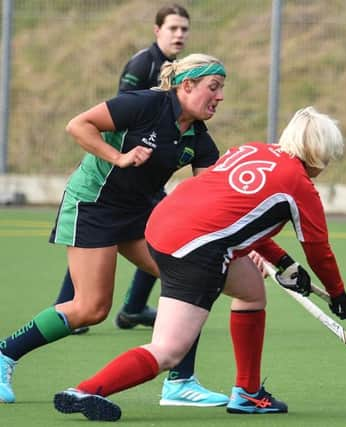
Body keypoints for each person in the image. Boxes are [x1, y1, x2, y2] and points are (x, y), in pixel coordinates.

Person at [52, 106, 346, 421]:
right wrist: (338, 295)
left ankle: (248, 393)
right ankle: (85, 391)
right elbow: (319, 251)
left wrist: (284, 263)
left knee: (251, 290)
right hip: (196, 249)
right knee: (169, 350)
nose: (328, 163)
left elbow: (234, 216)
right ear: (318, 152)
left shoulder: (251, 150)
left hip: (161, 229)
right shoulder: (299, 184)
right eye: (329, 156)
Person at [0, 54, 229, 407]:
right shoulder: (146, 104)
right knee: (90, 308)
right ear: (187, 86)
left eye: (222, 89)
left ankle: (180, 382)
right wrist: (118, 156)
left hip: (139, 212)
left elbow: (213, 200)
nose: (220, 97)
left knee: (189, 278)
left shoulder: (198, 139)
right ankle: (5, 355)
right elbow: (78, 125)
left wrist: (248, 243)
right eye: (213, 88)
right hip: (95, 204)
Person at [54, 3, 192, 332]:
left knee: (162, 239)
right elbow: (122, 116)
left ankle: (131, 307)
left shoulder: (181, 69)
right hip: (119, 174)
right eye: (173, 28)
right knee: (96, 244)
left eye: (184, 29)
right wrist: (116, 157)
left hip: (146, 176)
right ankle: (70, 308)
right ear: (157, 30)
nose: (179, 34)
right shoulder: (144, 63)